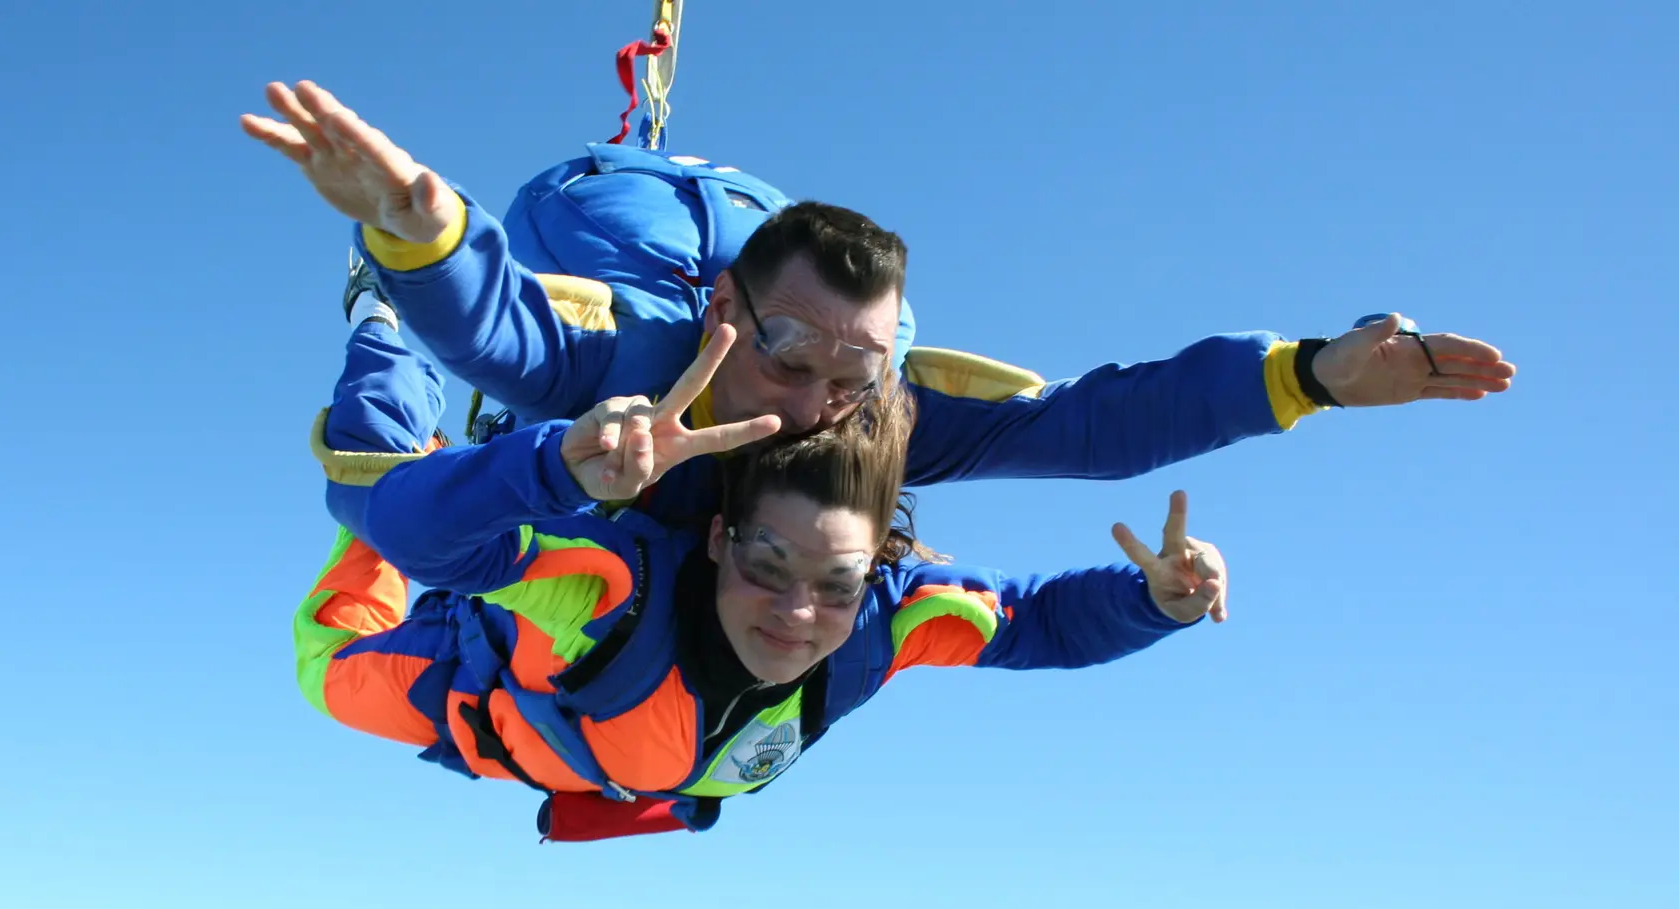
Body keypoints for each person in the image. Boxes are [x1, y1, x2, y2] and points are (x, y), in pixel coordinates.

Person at [242, 81, 1516, 550]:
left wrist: (1309, 376)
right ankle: (371, 314)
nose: (816, 407)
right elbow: (504, 340)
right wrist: (423, 243)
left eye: (858, 370)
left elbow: (1092, 429)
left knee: (956, 405)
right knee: (386, 473)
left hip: (719, 265)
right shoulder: (645, 354)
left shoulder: (873, 409)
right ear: (732, 310)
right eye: (791, 355)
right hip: (603, 262)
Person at [298, 315, 1231, 840]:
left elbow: (1036, 623)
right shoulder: (611, 594)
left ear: (872, 575)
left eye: (836, 582)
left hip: (590, 760)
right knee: (370, 529)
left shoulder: (885, 623)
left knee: (426, 507)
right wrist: (548, 472)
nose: (797, 612)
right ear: (716, 538)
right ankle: (382, 325)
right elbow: (419, 539)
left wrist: (1153, 603)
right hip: (476, 690)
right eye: (766, 564)